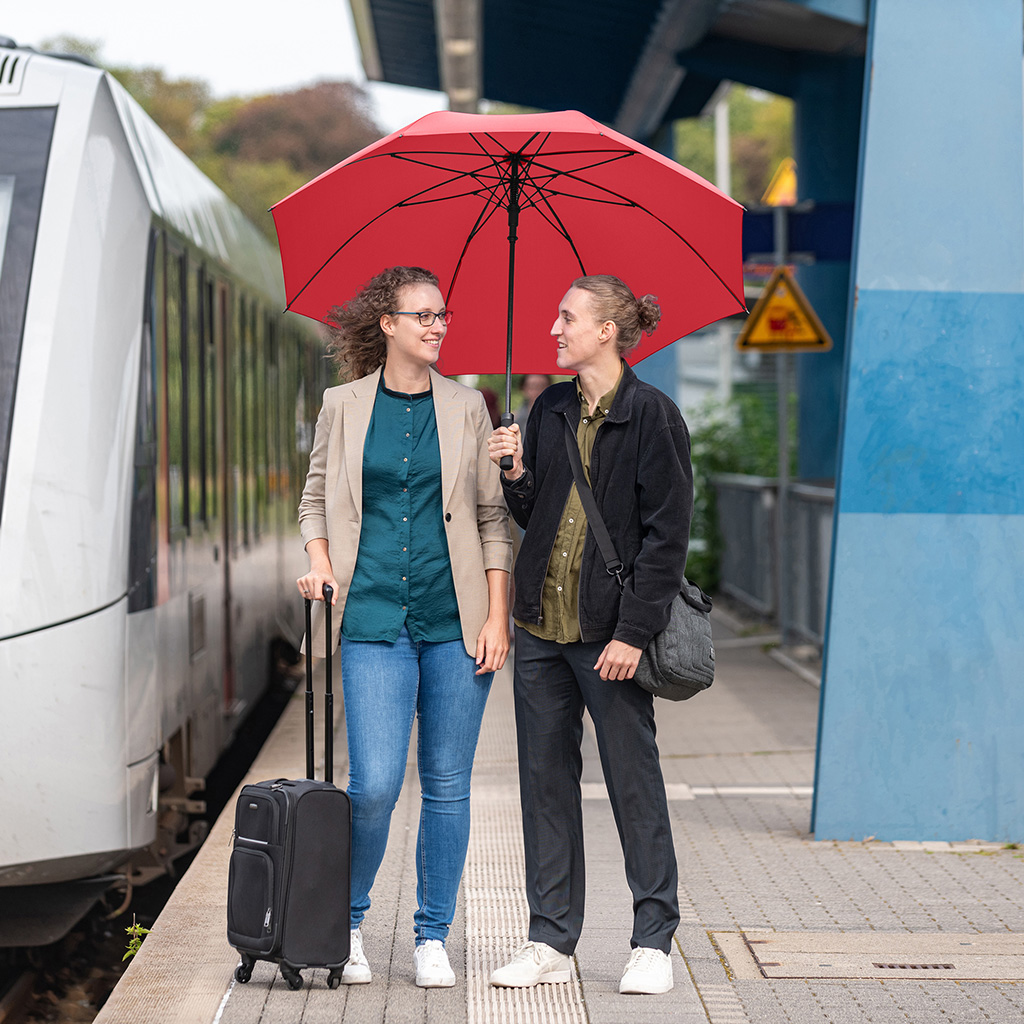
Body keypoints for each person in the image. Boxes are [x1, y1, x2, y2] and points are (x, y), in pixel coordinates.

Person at [297, 266, 512, 989]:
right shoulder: (343, 404)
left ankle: (431, 936)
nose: (437, 326)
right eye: (422, 316)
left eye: (442, 316)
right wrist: (320, 562)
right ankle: (346, 924)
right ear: (386, 324)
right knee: (377, 785)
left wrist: (498, 618)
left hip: (457, 625)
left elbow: (491, 519)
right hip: (372, 621)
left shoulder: (470, 407)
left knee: (448, 784)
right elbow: (316, 496)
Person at [486, 275, 691, 996]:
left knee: (634, 784)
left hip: (611, 638)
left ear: (607, 330)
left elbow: (667, 541)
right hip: (542, 629)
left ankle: (654, 941)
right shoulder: (549, 407)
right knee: (545, 785)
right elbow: (536, 511)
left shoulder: (653, 417)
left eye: (567, 317)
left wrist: (634, 632)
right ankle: (550, 940)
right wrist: (513, 471)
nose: (554, 326)